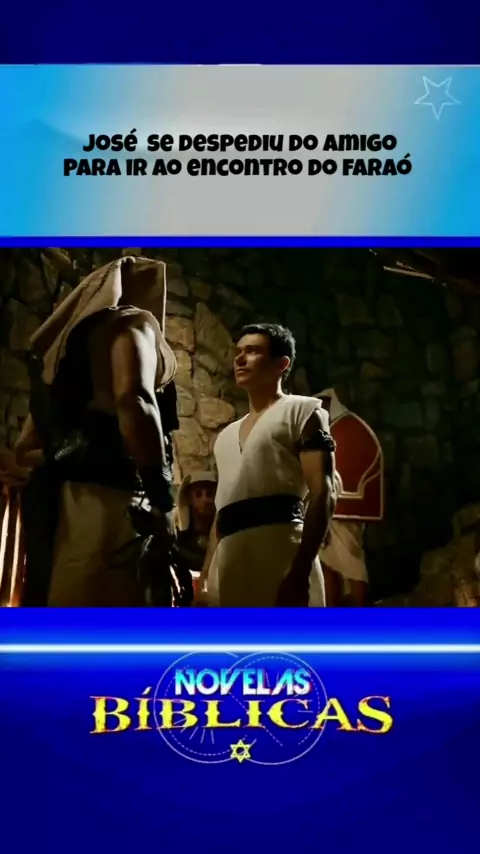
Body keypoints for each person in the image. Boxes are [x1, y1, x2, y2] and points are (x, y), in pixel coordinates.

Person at [14, 255, 179, 607]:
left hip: (62, 506)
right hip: (112, 505)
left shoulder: (61, 364)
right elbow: (135, 399)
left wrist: (71, 453)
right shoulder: (132, 322)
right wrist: (162, 497)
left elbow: (26, 450)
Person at [195, 323, 336, 608]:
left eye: (253, 351)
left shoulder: (302, 411)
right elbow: (223, 513)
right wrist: (206, 578)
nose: (240, 358)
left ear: (281, 364)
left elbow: (324, 493)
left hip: (281, 553)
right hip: (231, 562)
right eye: (238, 352)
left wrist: (300, 572)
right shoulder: (225, 437)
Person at [315, 388, 384, 607]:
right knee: (327, 564)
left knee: (352, 564)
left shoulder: (349, 428)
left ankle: (359, 614)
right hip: (326, 509)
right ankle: (330, 615)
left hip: (346, 509)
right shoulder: (324, 430)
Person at [174, 471, 217, 593]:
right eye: (198, 494)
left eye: (209, 494)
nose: (205, 500)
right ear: (189, 499)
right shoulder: (179, 527)